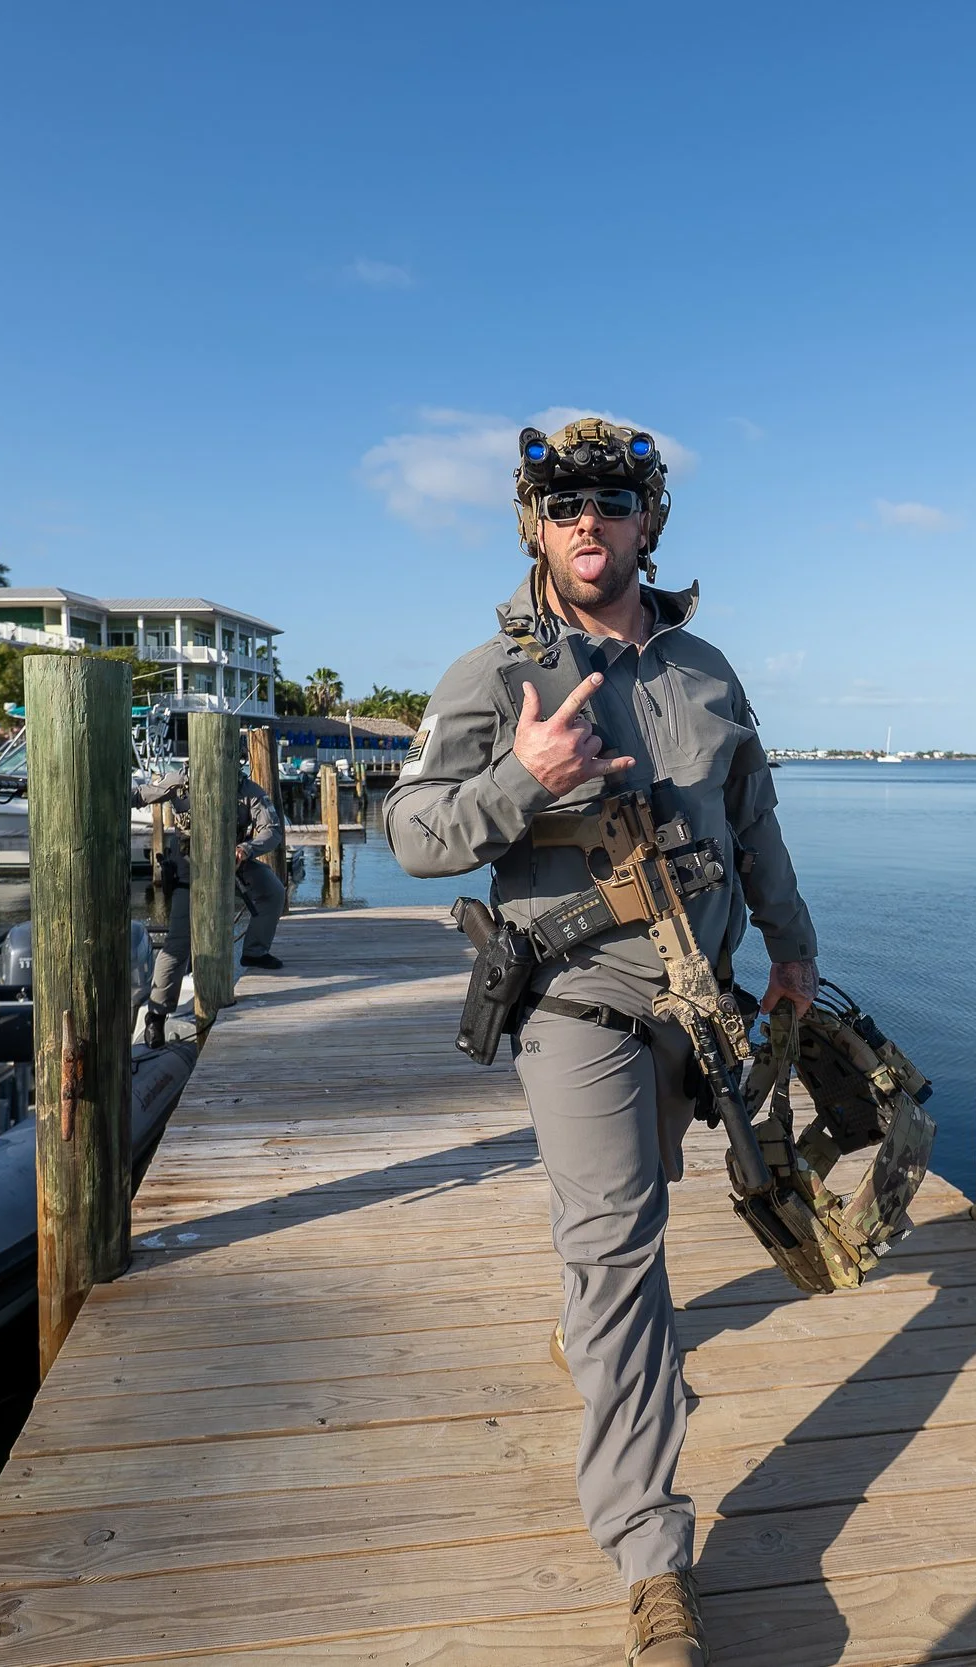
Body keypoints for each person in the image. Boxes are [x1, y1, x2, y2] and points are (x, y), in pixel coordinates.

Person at [386, 417, 818, 1667]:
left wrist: (793, 947)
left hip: (704, 997)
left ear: (648, 521)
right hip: (575, 1002)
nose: (587, 520)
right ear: (535, 524)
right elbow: (413, 831)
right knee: (622, 1249)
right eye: (563, 503)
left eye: (611, 500)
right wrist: (520, 778)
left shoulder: (707, 668)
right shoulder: (493, 671)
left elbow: (756, 825)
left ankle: (593, 1341)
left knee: (634, 1227)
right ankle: (651, 1558)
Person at [139, 765, 289, 1046]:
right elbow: (140, 796)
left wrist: (247, 849)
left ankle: (255, 951)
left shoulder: (248, 790)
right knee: (178, 944)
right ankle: (156, 1015)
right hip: (190, 872)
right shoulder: (179, 782)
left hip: (234, 866)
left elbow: (272, 829)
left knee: (273, 892)